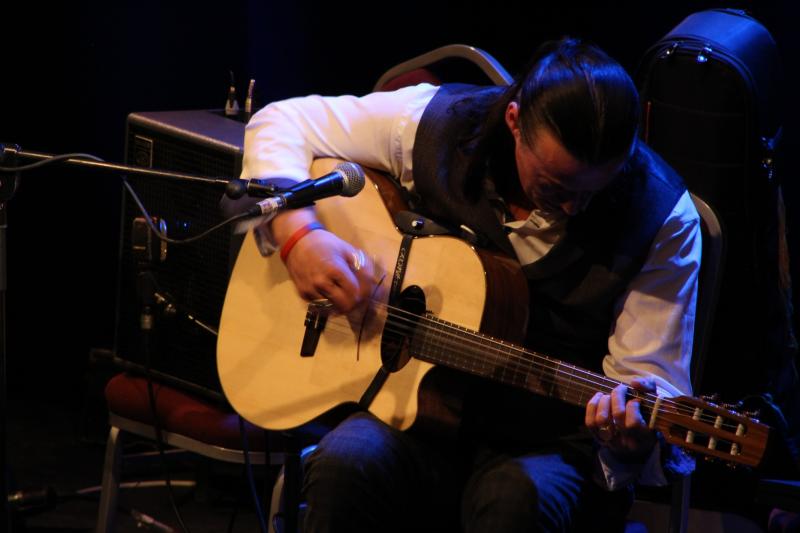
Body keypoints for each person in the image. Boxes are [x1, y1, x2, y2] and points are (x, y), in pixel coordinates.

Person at [240, 37, 700, 532]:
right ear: (515, 123)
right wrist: (300, 237)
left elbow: (644, 378)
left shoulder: (662, 218)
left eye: (594, 191)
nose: (573, 208)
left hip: (547, 446)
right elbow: (281, 120)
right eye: (556, 187)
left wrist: (630, 441)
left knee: (511, 501)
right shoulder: (442, 125)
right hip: (415, 415)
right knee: (344, 465)